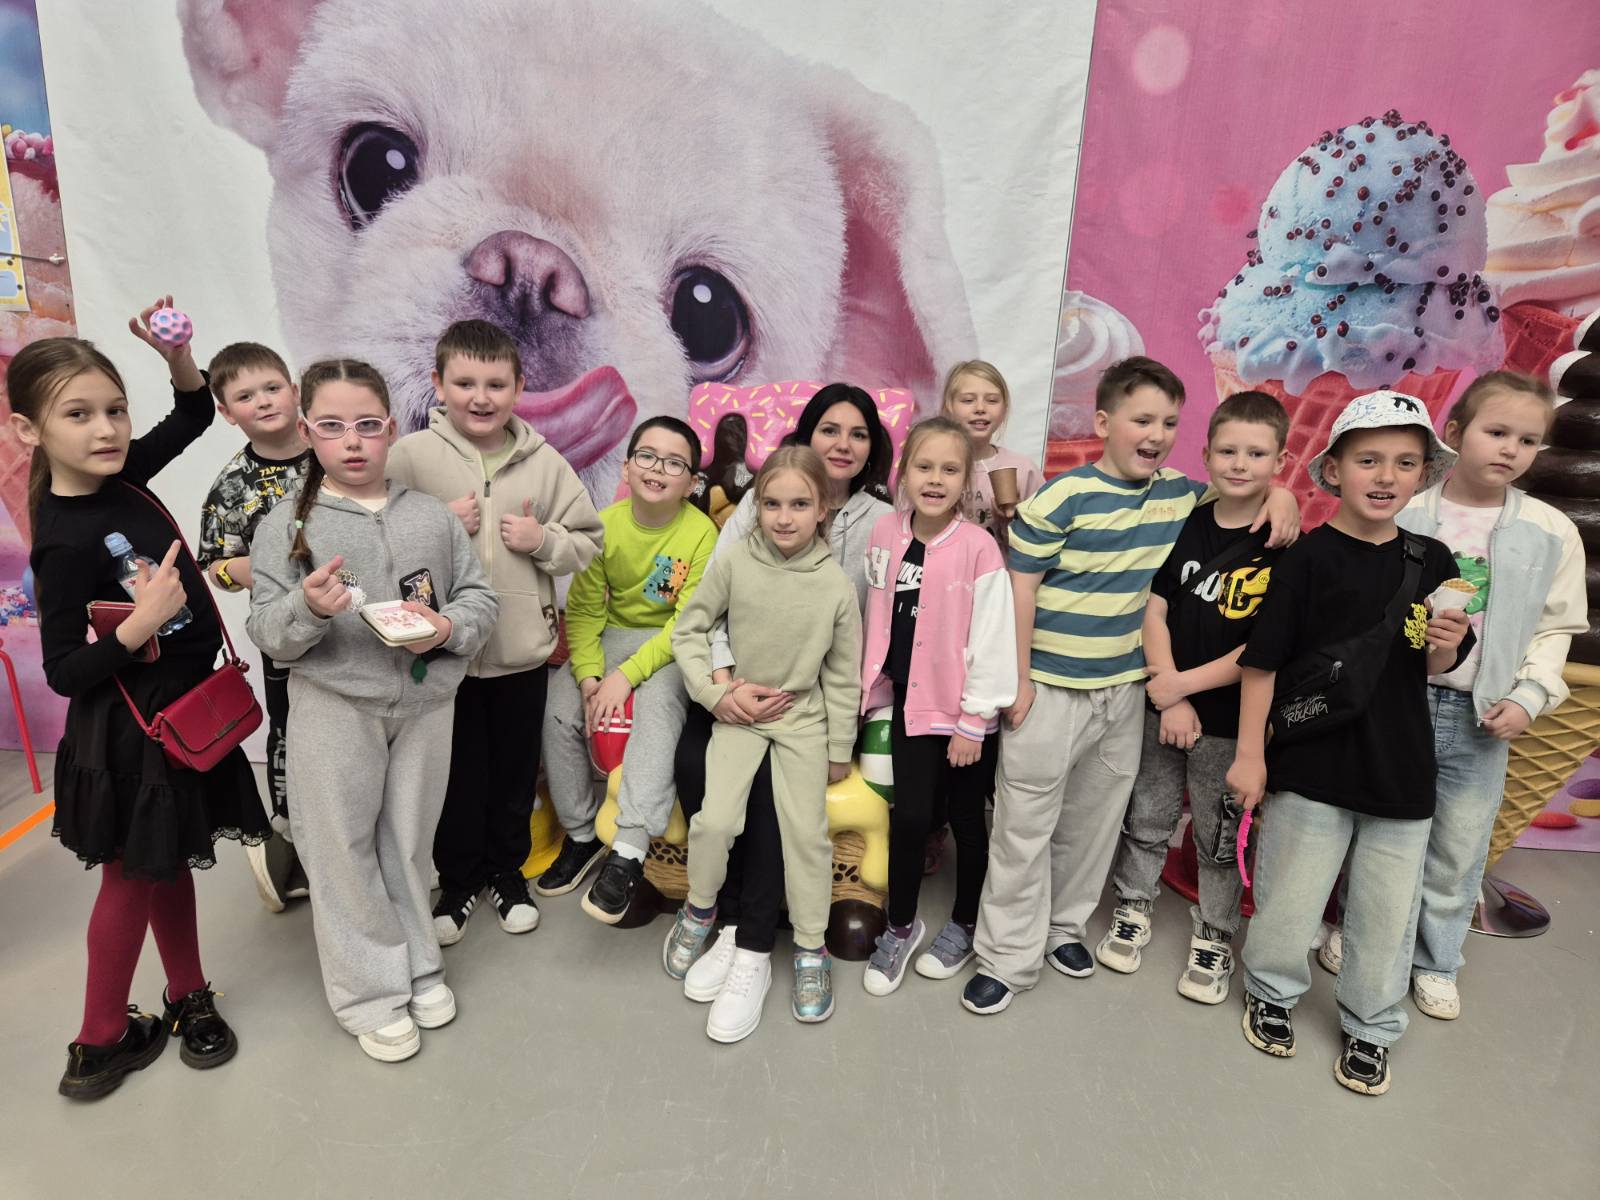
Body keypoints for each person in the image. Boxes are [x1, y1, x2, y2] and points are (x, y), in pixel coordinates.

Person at [964, 356, 1298, 1017]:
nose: (1157, 434)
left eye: (1170, 423)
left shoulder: (1179, 495)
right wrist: (1018, 681)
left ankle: (1063, 927)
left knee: (1092, 823)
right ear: (1103, 422)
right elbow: (1019, 590)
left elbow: (1241, 491)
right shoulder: (1060, 497)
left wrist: (1281, 494)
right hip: (1049, 687)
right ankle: (1004, 956)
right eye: (1142, 420)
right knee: (1023, 826)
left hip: (1122, 693)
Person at [11, 303, 269, 1100]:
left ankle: (187, 994)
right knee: (130, 879)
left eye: (115, 409)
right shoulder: (63, 536)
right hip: (130, 731)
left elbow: (193, 412)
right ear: (27, 431)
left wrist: (178, 354)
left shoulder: (122, 477)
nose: (107, 429)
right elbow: (64, 671)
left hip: (178, 711)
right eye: (78, 414)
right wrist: (139, 625)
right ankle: (98, 1042)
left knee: (166, 862)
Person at [247, 359, 497, 1063]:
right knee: (341, 849)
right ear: (306, 432)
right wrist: (307, 608)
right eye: (331, 426)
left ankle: (418, 964)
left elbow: (478, 598)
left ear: (391, 428)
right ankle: (369, 994)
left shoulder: (430, 516)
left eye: (366, 425)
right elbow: (267, 629)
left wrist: (448, 629)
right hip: (334, 706)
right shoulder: (284, 526)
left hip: (425, 705)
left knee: (409, 842)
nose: (352, 441)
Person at [1314, 372, 1582, 1020]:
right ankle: (1359, 931)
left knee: (1458, 848)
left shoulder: (1549, 530)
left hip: (1478, 715)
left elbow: (1556, 627)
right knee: (1376, 831)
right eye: (1497, 432)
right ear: (1455, 434)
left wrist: (1530, 693)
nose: (1510, 449)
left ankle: (1436, 960)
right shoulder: (1405, 512)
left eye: (1528, 440)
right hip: (1394, 706)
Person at [1227, 390, 1473, 1097]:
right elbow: (1263, 662)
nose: (1386, 476)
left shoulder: (1432, 559)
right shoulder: (1307, 560)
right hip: (1310, 761)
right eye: (1368, 460)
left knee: (1388, 912)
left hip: (1401, 765)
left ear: (1423, 473)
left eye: (1405, 462)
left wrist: (1447, 641)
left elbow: (1429, 661)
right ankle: (1271, 990)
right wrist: (1250, 756)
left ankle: (1372, 1023)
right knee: (1292, 893)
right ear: (1333, 470)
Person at [668, 384, 893, 1026]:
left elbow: (843, 674)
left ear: (824, 511)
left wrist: (839, 749)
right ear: (756, 505)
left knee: (806, 836)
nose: (784, 517)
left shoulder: (835, 586)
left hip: (802, 721)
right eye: (772, 504)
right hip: (739, 712)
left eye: (799, 505)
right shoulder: (735, 561)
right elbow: (690, 629)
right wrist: (717, 692)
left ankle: (810, 948)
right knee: (715, 820)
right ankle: (701, 908)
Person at [387, 320, 603, 946]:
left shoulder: (546, 462)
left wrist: (543, 541)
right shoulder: (410, 457)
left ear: (519, 387)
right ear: (438, 384)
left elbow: (588, 541)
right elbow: (379, 541)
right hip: (441, 653)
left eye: (495, 384)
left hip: (519, 652)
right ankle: (457, 882)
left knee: (513, 773)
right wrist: (435, 522)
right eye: (465, 383)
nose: (480, 398)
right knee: (456, 774)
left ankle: (507, 874)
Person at [1096, 391, 1289, 1003]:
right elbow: (1153, 610)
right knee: (1147, 815)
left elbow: (1264, 648)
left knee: (1219, 835)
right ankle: (1133, 904)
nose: (1240, 464)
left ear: (1279, 461)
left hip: (1229, 723)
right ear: (1205, 455)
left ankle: (1214, 932)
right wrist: (1169, 695)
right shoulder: (1186, 522)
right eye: (1228, 451)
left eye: (1256, 454)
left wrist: (1184, 686)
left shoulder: (1286, 544)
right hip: (1163, 709)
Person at [537, 416, 717, 923]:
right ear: (627, 466)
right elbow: (586, 609)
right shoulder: (605, 524)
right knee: (558, 711)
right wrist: (590, 676)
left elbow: (684, 624)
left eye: (675, 463)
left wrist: (626, 677)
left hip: (672, 645)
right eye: (648, 456)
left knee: (657, 707)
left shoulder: (702, 534)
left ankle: (629, 850)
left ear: (692, 482)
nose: (658, 469)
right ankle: (581, 835)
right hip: (611, 636)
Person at [858, 417, 1016, 995]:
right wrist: (869, 691)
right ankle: (901, 926)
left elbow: (995, 637)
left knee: (968, 821)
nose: (935, 479)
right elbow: (877, 613)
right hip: (908, 705)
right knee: (910, 819)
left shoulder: (979, 548)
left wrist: (974, 721)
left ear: (965, 480)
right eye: (924, 466)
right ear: (903, 473)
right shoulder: (884, 531)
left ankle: (966, 923)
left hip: (964, 715)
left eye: (950, 470)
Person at [195, 341, 312, 914]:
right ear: (225, 411)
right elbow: (213, 566)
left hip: (359, 621)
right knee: (291, 732)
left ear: (294, 390)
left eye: (271, 387)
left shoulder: (335, 449)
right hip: (284, 634)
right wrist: (266, 564)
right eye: (245, 396)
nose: (263, 401)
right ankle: (292, 843)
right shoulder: (231, 486)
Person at [941, 360, 1044, 537]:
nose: (980, 408)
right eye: (968, 400)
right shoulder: (932, 466)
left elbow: (1044, 532)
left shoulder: (1022, 469)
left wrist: (1014, 521)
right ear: (949, 406)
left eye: (992, 400)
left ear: (1004, 409)